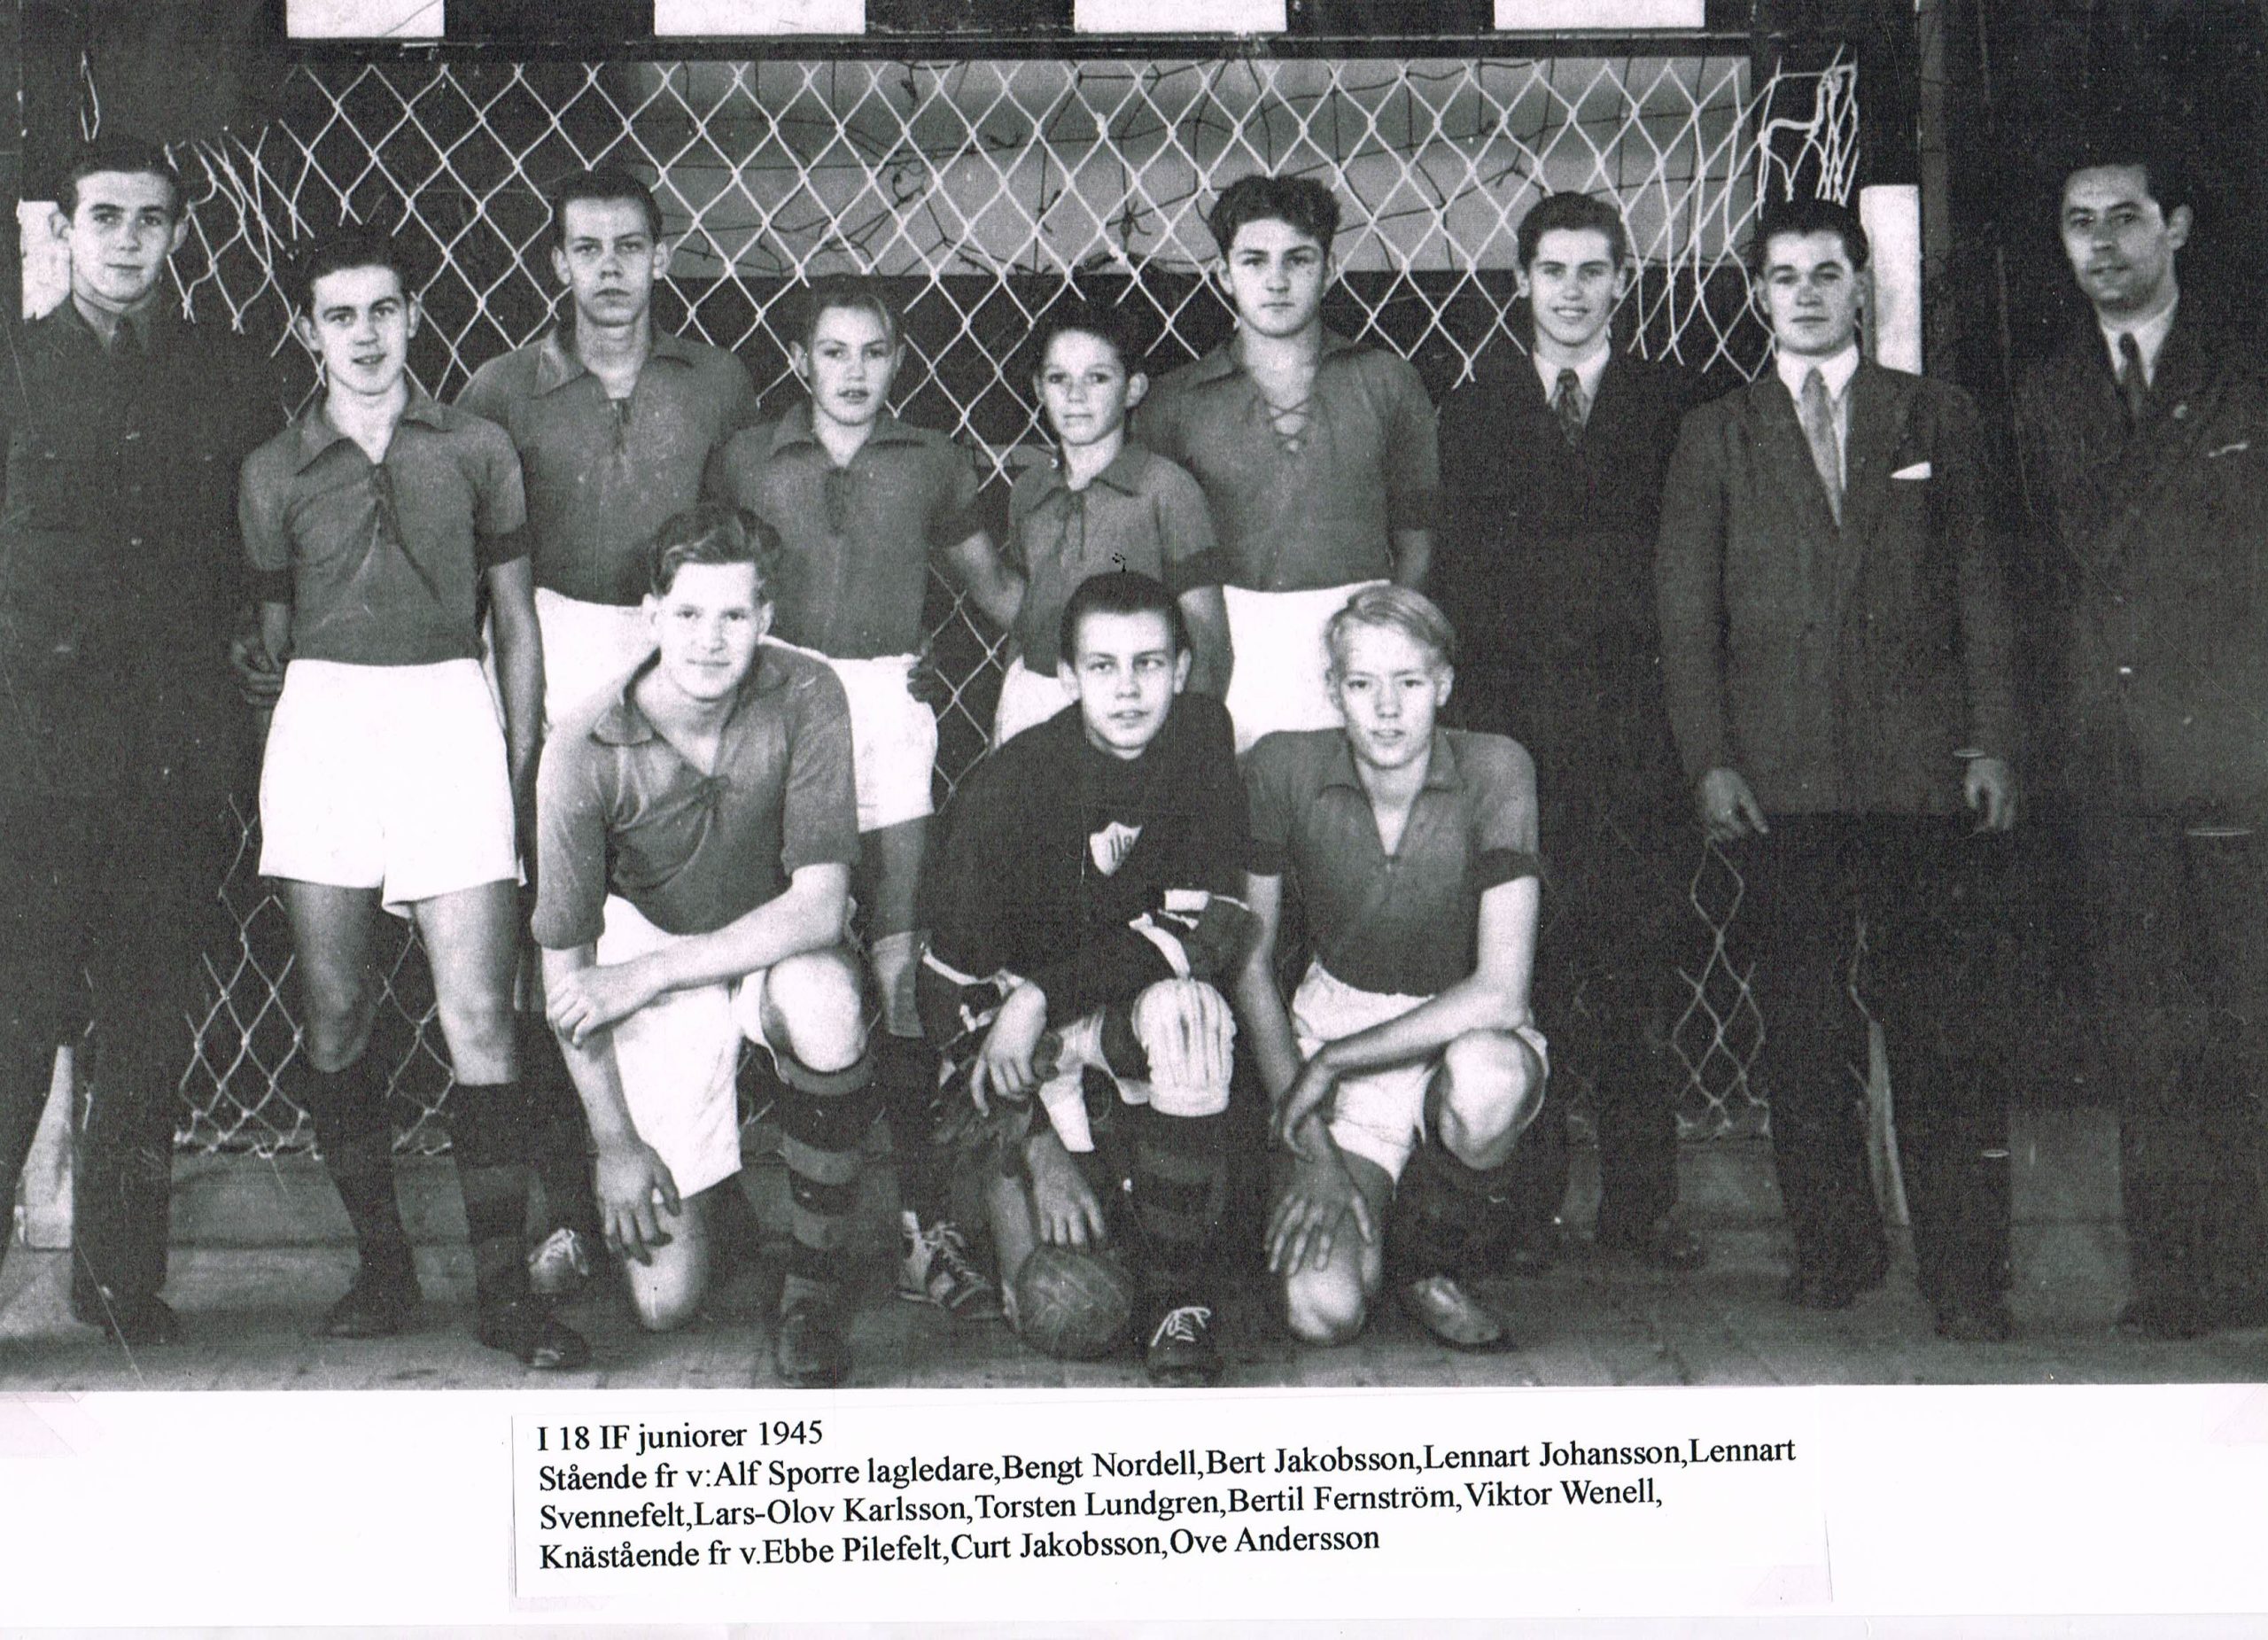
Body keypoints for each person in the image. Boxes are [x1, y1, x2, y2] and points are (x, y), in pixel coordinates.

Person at [1655, 196, 2021, 1339]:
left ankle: (1966, 1276)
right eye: (1784, 276)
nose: (1806, 294)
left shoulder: (1935, 414)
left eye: (1826, 273)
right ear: (1756, 295)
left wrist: (1992, 740)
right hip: (1782, 783)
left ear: (1862, 284)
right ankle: (1832, 1250)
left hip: (1920, 777)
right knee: (1803, 1029)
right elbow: (1686, 619)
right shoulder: (1716, 433)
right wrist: (1711, 762)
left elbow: (1982, 588)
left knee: (1940, 1030)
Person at [237, 224, 586, 1368]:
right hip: (326, 722)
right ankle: (382, 1261)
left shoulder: (476, 446)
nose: (365, 335)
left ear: (414, 316)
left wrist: (520, 758)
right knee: (337, 1010)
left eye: (383, 310)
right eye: (340, 315)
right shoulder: (272, 469)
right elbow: (274, 644)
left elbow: (516, 621)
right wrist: (287, 763)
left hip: (448, 712)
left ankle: (504, 1293)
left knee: (479, 1013)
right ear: (308, 332)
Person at [450, 167, 764, 1301]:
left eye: (630, 245)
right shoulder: (501, 388)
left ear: (661, 254)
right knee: (557, 931)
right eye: (587, 248)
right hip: (552, 647)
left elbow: (742, 539)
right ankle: (567, 1204)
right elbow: (480, 556)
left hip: (681, 652)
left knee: (687, 901)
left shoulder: (717, 382)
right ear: (557, 263)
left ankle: (714, 1183)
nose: (611, 269)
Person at [0, 135, 274, 1345]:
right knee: (16, 1013)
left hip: (171, 749)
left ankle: (119, 1281)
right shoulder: (13, 367)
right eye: (104, 216)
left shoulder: (224, 372)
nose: (127, 239)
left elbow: (252, 549)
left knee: (150, 1017)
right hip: (34, 756)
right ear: (62, 230)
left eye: (150, 218)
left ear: (177, 232)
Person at [705, 276, 1021, 1320]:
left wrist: (1109, 600)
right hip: (777, 706)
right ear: (800, 361)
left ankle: (922, 1230)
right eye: (833, 352)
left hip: (886, 707)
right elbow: (706, 588)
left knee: (898, 968)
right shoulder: (748, 458)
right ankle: (766, 1220)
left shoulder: (930, 459)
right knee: (776, 961)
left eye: (874, 352)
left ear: (898, 360)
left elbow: (997, 591)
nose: (853, 372)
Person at [2014, 141, 2268, 1339]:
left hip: (2236, 751)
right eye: (2080, 222)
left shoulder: (2243, 374)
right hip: (2113, 759)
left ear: (2176, 228)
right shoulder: (2049, 391)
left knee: (2251, 1014)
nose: (2102, 243)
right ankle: (2173, 1277)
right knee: (2146, 1021)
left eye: (2124, 217)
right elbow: (2040, 579)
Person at [532, 503, 874, 1385]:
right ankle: (712, 1204)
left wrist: (649, 976)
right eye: (687, 612)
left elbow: (819, 909)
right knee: (662, 1304)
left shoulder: (808, 690)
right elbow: (568, 976)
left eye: (733, 615)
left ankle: (813, 1290)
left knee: (826, 999)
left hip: (755, 941)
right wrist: (616, 1144)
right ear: (651, 616)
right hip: (653, 937)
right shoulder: (582, 744)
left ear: (766, 618)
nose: (710, 639)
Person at [1436, 190, 1704, 1276]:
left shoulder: (1675, 404)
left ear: (1623, 282)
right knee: (1525, 976)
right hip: (1517, 745)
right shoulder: (1472, 411)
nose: (1573, 291)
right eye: (1552, 270)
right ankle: (1523, 1210)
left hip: (1638, 743)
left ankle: (1641, 1207)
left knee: (1639, 981)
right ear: (1521, 283)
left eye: (1594, 270)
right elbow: (1457, 580)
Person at [920, 571, 1252, 1383]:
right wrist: (1039, 1151)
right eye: (1103, 666)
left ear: (1182, 669)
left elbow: (1215, 924)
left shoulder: (1202, 738)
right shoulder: (1010, 786)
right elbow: (943, 989)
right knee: (1067, 1311)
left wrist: (1046, 994)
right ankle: (1024, 1190)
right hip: (1014, 1051)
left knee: (1192, 1012)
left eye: (1149, 663)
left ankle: (1177, 1299)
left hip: (1106, 1020)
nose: (1128, 689)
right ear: (1068, 677)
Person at [1236, 586, 1550, 1351]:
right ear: (1332, 688)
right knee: (1323, 1311)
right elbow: (1248, 963)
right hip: (1341, 1020)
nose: (1386, 709)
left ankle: (1428, 1259)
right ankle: (1382, 1227)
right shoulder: (1282, 764)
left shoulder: (1497, 766)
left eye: (1409, 682)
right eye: (1361, 683)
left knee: (1490, 1078)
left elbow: (1502, 991)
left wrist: (1332, 1063)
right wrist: (1313, 1143)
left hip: (1456, 1025)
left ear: (1443, 683)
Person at [1137, 173, 1441, 752]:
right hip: (1225, 649)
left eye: (1298, 260)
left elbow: (1418, 542)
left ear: (1329, 268)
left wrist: (1383, 647)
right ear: (1224, 273)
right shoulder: (1174, 402)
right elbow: (1137, 553)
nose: (1276, 281)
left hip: (1358, 647)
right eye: (1254, 261)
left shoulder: (1388, 382)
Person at [989, 301, 1231, 744]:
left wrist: (1181, 749)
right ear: (1039, 387)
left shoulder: (1166, 489)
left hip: (1127, 707)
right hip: (1036, 702)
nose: (1075, 395)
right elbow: (1027, 624)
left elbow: (1208, 641)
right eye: (1058, 379)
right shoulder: (1029, 491)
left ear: (1133, 388)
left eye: (1097, 378)